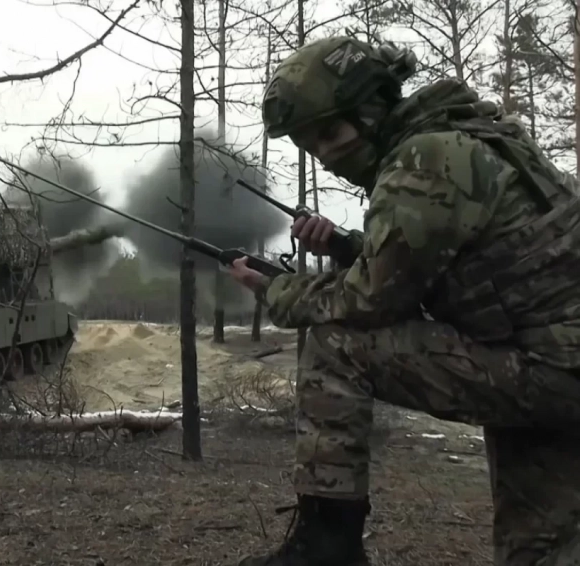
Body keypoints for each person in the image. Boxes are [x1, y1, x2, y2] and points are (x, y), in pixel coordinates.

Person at [227, 35, 580, 566]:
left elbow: (371, 301)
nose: (327, 157)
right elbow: (450, 263)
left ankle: (327, 549)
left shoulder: (425, 157)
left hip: (545, 368)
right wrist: (348, 247)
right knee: (542, 549)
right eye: (312, 145)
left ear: (372, 107)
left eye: (331, 133)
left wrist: (277, 290)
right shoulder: (468, 135)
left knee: (337, 344)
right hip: (551, 364)